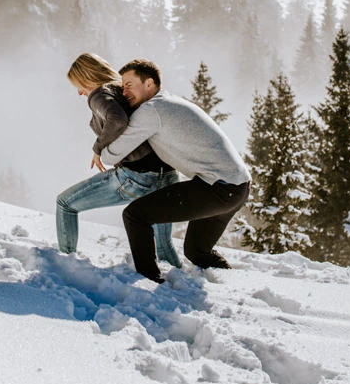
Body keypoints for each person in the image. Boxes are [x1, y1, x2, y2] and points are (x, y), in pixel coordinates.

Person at [97, 59, 251, 283]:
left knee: (135, 215)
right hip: (238, 188)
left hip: (218, 188)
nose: (124, 92)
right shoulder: (169, 102)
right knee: (197, 252)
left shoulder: (151, 110)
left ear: (149, 83)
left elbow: (111, 156)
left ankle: (149, 279)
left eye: (129, 85)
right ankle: (230, 284)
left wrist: (99, 149)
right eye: (122, 87)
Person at [55, 53, 181, 268]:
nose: (79, 92)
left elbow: (117, 119)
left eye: (79, 85)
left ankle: (67, 266)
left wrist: (98, 148)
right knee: (163, 246)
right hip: (167, 174)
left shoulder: (99, 95)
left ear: (87, 78)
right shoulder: (124, 92)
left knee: (65, 204)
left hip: (137, 177)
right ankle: (178, 283)